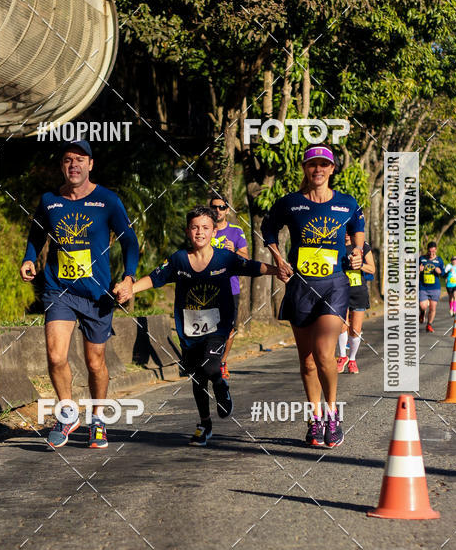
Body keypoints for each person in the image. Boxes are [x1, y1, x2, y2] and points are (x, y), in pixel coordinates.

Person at [131, 205, 287, 446]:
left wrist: (278, 270)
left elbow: (253, 267)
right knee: (197, 378)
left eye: (205, 228)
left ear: (214, 232)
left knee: (211, 366)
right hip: (189, 330)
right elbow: (154, 278)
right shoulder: (178, 259)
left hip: (218, 327)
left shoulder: (225, 258)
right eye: (195, 227)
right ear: (187, 231)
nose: (200, 232)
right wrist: (129, 289)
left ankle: (220, 384)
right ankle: (205, 423)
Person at [20, 140, 139, 450]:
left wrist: (129, 278)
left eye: (80, 159)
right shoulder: (50, 201)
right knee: (55, 355)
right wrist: (29, 258)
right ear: (62, 166)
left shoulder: (107, 200)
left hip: (97, 294)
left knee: (95, 362)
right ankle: (68, 414)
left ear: (90, 165)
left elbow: (129, 241)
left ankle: (97, 418)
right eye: (68, 159)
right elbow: (37, 233)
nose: (74, 164)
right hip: (59, 289)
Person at [261, 144, 365, 448]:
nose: (318, 169)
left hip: (334, 285)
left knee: (323, 354)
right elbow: (268, 229)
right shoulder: (290, 203)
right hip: (301, 286)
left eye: (323, 164)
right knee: (307, 362)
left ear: (332, 169)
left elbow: (357, 226)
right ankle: (314, 417)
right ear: (305, 169)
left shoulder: (347, 203)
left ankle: (332, 414)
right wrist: (278, 258)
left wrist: (358, 251)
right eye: (312, 165)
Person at [208, 195, 249, 379]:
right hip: (207, 287)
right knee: (207, 326)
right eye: (214, 207)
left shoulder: (236, 231)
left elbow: (246, 258)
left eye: (222, 207)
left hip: (230, 288)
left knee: (229, 328)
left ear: (227, 210)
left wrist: (235, 251)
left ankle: (222, 362)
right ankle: (208, 361)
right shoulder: (204, 229)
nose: (218, 210)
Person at [337, 233, 376, 374]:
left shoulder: (362, 246)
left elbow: (372, 269)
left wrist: (360, 265)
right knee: (342, 324)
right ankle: (342, 356)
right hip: (340, 291)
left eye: (350, 230)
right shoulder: (336, 244)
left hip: (358, 292)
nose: (346, 233)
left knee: (355, 329)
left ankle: (352, 359)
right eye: (345, 230)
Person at [419, 241, 446, 332]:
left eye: (433, 252)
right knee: (423, 306)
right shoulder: (422, 259)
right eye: (429, 252)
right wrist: (419, 270)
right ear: (427, 250)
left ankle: (429, 325)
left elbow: (444, 273)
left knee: (432, 308)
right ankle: (422, 312)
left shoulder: (439, 260)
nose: (431, 254)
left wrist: (440, 272)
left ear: (436, 250)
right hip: (423, 287)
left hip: (435, 288)